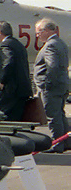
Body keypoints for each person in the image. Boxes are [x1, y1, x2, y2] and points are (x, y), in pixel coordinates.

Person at [33, 19, 69, 153]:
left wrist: (46, 84)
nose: (37, 35)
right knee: (60, 114)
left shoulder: (50, 45)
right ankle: (65, 142)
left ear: (47, 31)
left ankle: (57, 144)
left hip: (52, 87)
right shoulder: (60, 43)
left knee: (53, 116)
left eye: (39, 32)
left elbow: (52, 66)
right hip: (61, 85)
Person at [0, 21, 32, 121]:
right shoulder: (18, 44)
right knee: (17, 116)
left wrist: (2, 80)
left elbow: (8, 62)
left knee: (1, 113)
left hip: (11, 89)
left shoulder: (6, 45)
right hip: (21, 89)